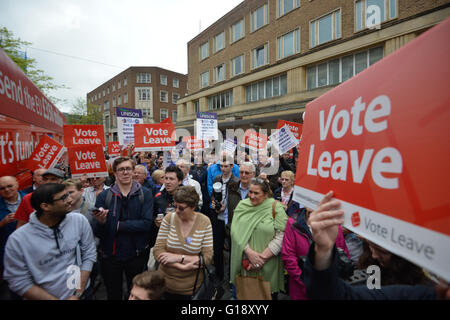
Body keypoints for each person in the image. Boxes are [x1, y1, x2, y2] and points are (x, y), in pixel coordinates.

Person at [302, 190, 449, 300]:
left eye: (382, 251)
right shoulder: (372, 269)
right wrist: (323, 249)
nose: (373, 255)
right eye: (370, 246)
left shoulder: (426, 290)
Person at [3, 183, 97, 300]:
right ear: (45, 206)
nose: (69, 200)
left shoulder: (78, 220)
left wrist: (78, 293)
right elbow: (18, 281)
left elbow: (89, 254)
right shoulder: (18, 239)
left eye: (68, 194)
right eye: (63, 198)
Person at [93, 157, 154, 300]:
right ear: (115, 173)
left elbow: (145, 224)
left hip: (136, 254)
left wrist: (116, 225)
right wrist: (101, 222)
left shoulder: (145, 194)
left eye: (128, 169)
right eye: (121, 169)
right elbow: (98, 232)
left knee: (137, 293)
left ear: (133, 171)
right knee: (113, 294)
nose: (125, 172)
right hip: (110, 255)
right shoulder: (104, 196)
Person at [230, 178, 288, 299]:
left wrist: (261, 259)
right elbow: (236, 231)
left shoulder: (276, 207)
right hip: (246, 263)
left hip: (268, 264)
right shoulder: (242, 205)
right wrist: (249, 252)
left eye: (256, 193)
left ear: (266, 194)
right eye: (250, 192)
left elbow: (281, 235)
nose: (251, 196)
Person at [153, 186, 213, 300]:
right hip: (164, 285)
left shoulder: (204, 222)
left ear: (193, 207)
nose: (176, 211)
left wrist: (177, 258)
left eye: (181, 208)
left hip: (191, 288)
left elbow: (207, 257)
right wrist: (185, 265)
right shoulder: (169, 218)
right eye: (175, 206)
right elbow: (158, 250)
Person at [281, 207, 349, 300]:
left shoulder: (333, 224)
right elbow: (288, 257)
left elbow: (343, 254)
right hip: (302, 289)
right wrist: (305, 282)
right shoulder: (293, 223)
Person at [211, 156, 240, 284]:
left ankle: (231, 278)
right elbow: (213, 194)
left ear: (232, 167)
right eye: (221, 166)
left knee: (233, 250)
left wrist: (226, 207)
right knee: (217, 249)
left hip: (231, 219)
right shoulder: (217, 178)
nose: (223, 169)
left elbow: (237, 201)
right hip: (218, 218)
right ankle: (219, 276)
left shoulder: (236, 181)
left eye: (226, 166)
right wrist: (213, 203)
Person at [149, 165, 184, 248]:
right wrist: (155, 221)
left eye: (171, 179)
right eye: (166, 178)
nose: (167, 182)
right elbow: (151, 216)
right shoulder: (158, 197)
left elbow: (195, 218)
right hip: (164, 242)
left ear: (179, 181)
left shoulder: (188, 197)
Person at [0, 176, 27, 280]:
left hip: (31, 248)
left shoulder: (31, 199)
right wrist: (3, 222)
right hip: (7, 251)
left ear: (17, 184)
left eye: (9, 186)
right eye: (2, 188)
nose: (6, 190)